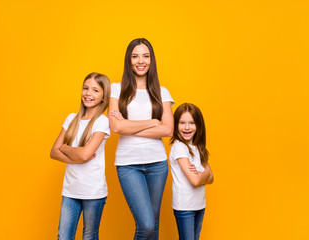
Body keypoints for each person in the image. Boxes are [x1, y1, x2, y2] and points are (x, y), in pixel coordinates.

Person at [109, 38, 174, 239]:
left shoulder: (162, 92)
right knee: (145, 225)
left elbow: (168, 130)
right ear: (128, 60)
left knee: (153, 225)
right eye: (135, 56)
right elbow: (116, 126)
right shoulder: (116, 89)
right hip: (129, 165)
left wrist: (129, 127)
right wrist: (153, 122)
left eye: (146, 56)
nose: (141, 61)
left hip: (157, 164)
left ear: (151, 60)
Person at [50, 72, 111, 240]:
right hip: (70, 190)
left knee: (89, 237)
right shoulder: (71, 119)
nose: (88, 94)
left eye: (95, 90)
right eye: (85, 88)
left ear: (103, 97)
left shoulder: (102, 122)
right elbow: (53, 152)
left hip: (93, 192)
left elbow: (84, 154)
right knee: (63, 237)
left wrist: (65, 148)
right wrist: (78, 154)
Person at [169, 103, 214, 240]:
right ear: (175, 124)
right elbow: (195, 180)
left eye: (192, 123)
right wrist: (204, 173)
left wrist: (203, 175)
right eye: (182, 123)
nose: (187, 127)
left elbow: (212, 179)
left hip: (199, 204)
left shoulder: (198, 148)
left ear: (198, 126)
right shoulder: (179, 147)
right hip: (185, 206)